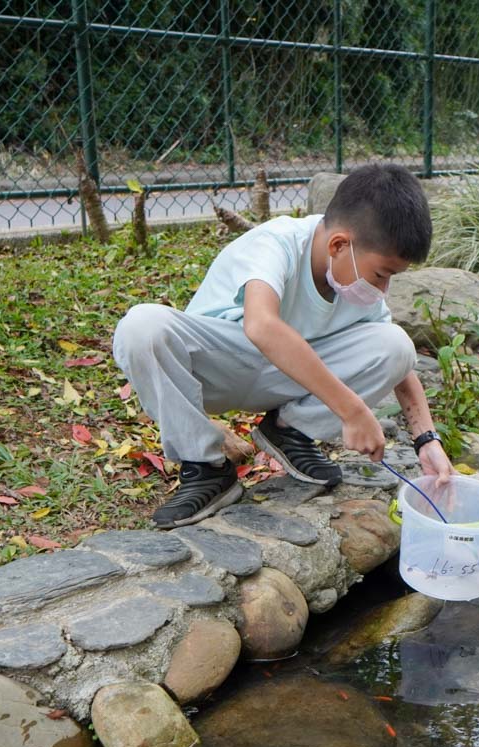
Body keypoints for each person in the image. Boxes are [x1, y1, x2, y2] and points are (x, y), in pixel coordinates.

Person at [112, 163, 455, 528]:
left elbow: (401, 367)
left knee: (396, 344)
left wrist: (427, 441)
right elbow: (260, 325)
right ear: (339, 245)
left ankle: (290, 431)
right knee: (141, 326)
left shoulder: (354, 278)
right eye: (382, 275)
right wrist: (352, 411)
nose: (382, 290)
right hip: (217, 369)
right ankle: (206, 466)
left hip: (286, 379)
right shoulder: (276, 243)